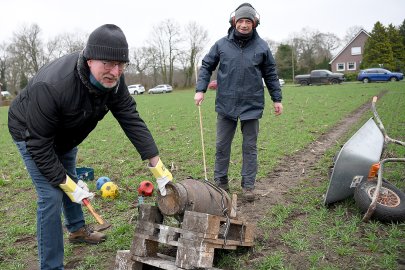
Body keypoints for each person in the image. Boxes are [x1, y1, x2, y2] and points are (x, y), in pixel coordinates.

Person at [8, 24, 172, 270]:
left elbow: (130, 116)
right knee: (52, 195)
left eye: (121, 65)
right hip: (31, 133)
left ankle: (77, 230)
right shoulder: (53, 85)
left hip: (67, 134)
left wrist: (156, 165)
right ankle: (51, 266)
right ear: (89, 59)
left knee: (70, 177)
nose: (115, 71)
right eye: (107, 64)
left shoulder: (115, 81)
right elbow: (39, 146)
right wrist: (65, 184)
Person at [194, 3, 283, 202]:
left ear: (255, 23)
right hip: (226, 105)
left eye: (248, 21)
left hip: (252, 105)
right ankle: (221, 182)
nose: (244, 25)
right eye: (241, 21)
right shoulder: (221, 45)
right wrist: (200, 89)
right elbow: (207, 65)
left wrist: (277, 99)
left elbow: (270, 74)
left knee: (249, 147)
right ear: (234, 22)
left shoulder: (262, 47)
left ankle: (248, 186)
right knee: (221, 146)